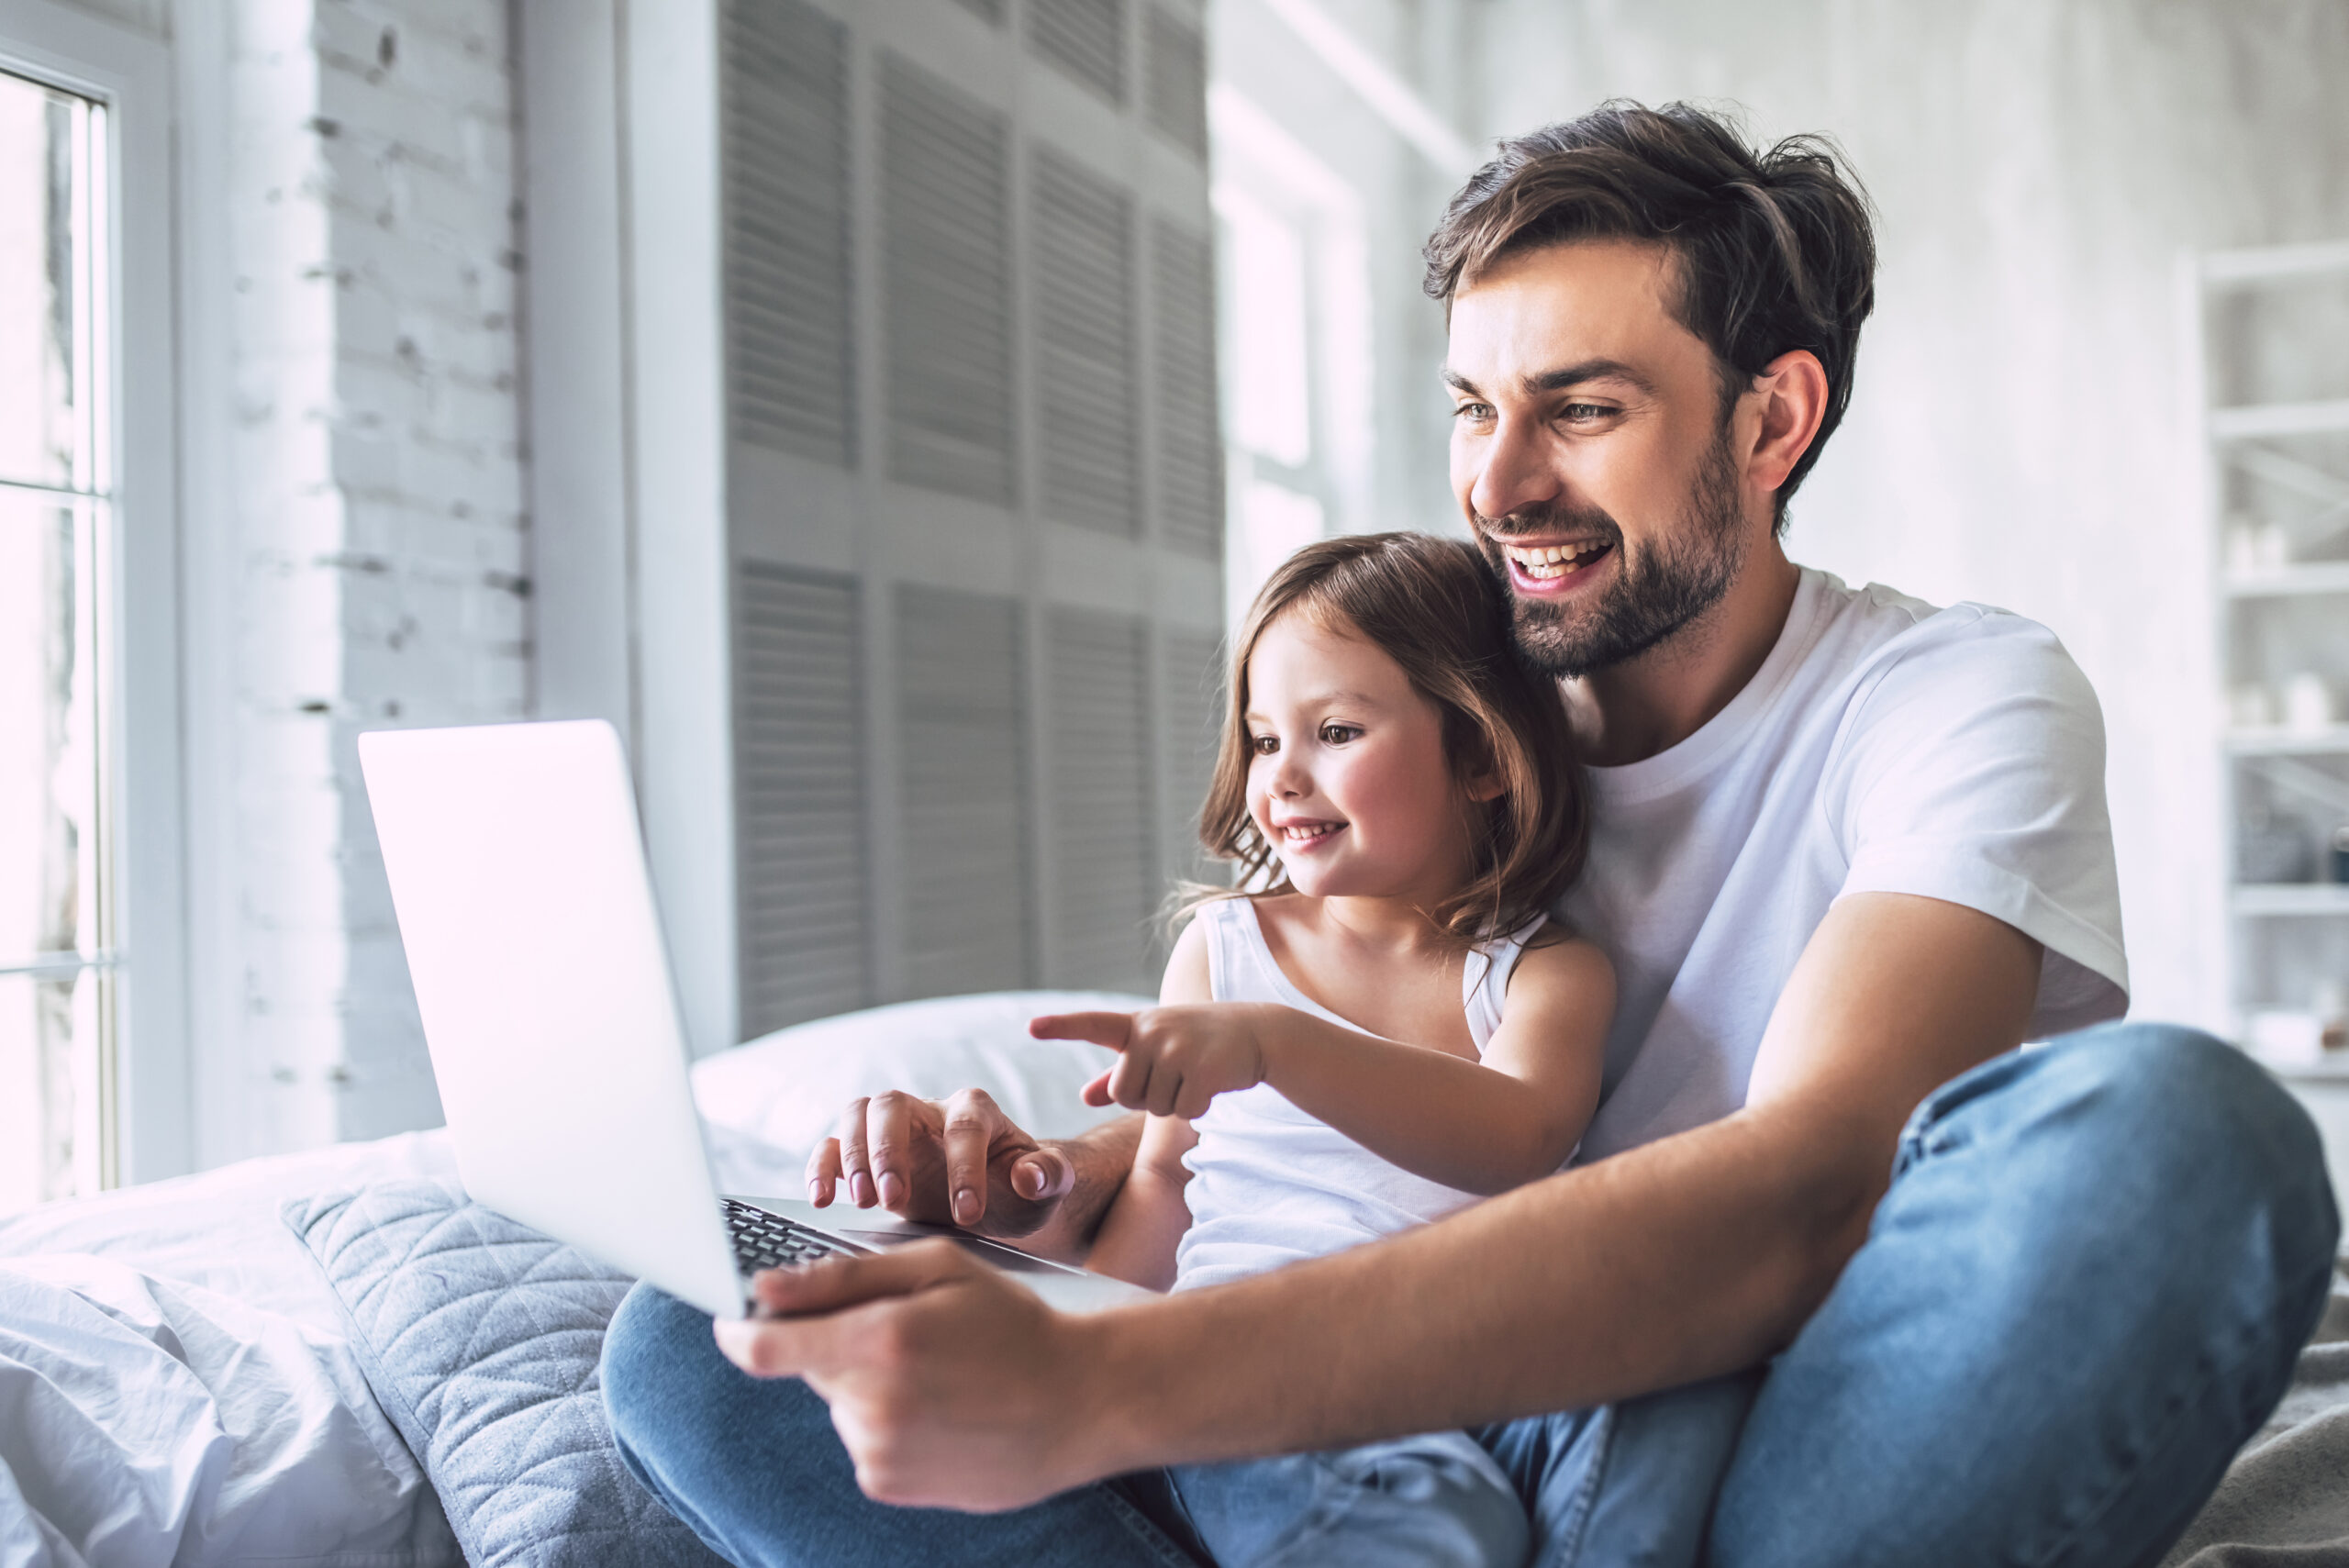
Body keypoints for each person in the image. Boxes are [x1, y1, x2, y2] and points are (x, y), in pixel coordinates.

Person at [601, 102, 2340, 1568]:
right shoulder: (1418, 722)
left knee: (2180, 1133)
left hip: (1720, 1462)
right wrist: (1019, 1198)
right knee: (706, 1334)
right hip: (1301, 1418)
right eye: (1469, 406)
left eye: (1579, 410)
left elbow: (1807, 1192)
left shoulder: (1953, 694)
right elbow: (1248, 1143)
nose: (1498, 484)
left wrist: (1102, 1385)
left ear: (1772, 417)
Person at [1016, 529, 1740, 1566]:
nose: (1284, 777)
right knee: (1423, 1509)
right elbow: (1166, 1180)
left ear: (1485, 754)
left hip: (1463, 1366)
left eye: (1337, 730)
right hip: (1243, 1360)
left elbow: (1520, 1135)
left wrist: (1278, 1047)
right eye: (1266, 739)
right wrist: (1095, 1370)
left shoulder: (1544, 971)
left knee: (1678, 1388)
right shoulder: (1224, 951)